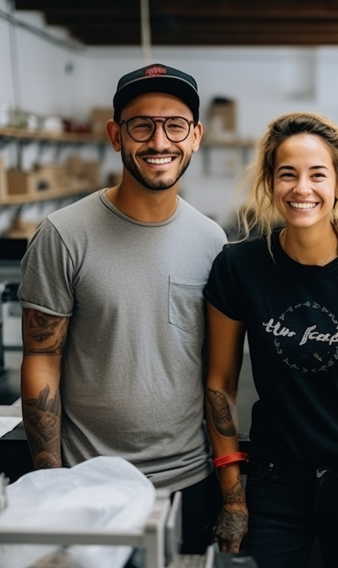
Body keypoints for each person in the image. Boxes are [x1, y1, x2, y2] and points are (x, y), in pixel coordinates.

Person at [18, 63, 227, 555]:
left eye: (175, 125)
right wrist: (52, 480)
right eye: (141, 125)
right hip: (88, 482)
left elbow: (217, 372)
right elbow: (41, 356)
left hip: (188, 481)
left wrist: (228, 487)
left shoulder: (212, 241)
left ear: (195, 136)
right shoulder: (63, 235)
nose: (159, 141)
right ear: (116, 135)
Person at [203, 111, 338, 568]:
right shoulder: (239, 267)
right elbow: (220, 383)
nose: (303, 189)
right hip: (274, 480)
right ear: (269, 183)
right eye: (288, 175)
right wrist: (233, 498)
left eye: (317, 174)